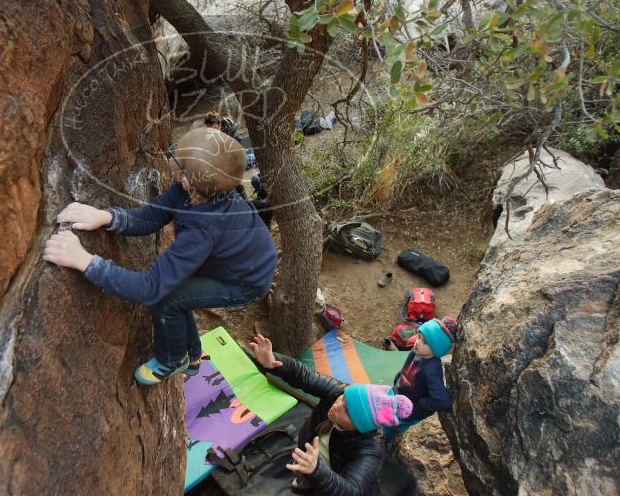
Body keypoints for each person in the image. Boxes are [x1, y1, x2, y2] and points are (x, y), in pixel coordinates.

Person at [42, 127, 277, 385]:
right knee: (178, 293)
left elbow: (149, 289)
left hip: (245, 280)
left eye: (173, 153)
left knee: (168, 300)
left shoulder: (202, 229)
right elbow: (151, 218)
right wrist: (107, 217)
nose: (170, 152)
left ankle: (173, 360)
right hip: (238, 256)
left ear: (188, 179)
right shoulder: (195, 188)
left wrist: (85, 261)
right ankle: (194, 354)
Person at [250, 335, 413, 495]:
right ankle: (305, 480)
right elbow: (305, 376)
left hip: (329, 476)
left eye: (347, 411)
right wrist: (274, 362)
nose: (337, 405)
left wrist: (317, 471)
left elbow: (352, 489)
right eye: (344, 399)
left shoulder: (370, 449)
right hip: (313, 458)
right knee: (305, 473)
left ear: (359, 426)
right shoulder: (340, 392)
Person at [385, 316, 457, 438]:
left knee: (391, 429)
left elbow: (443, 401)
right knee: (384, 418)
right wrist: (397, 380)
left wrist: (422, 404)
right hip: (397, 395)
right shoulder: (416, 351)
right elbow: (405, 369)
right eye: (419, 336)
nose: (418, 342)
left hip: (409, 411)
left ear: (437, 349)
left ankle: (387, 442)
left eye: (425, 342)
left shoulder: (431, 369)